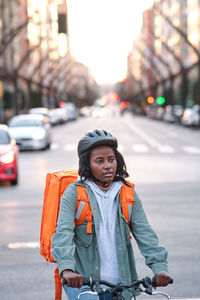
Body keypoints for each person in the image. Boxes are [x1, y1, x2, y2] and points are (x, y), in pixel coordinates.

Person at [51, 129, 171, 299]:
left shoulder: (127, 193)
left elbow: (145, 234)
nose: (107, 165)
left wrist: (160, 268)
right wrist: (68, 270)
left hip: (122, 284)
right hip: (84, 283)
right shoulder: (75, 193)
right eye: (99, 161)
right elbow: (63, 233)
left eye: (111, 159)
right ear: (87, 165)